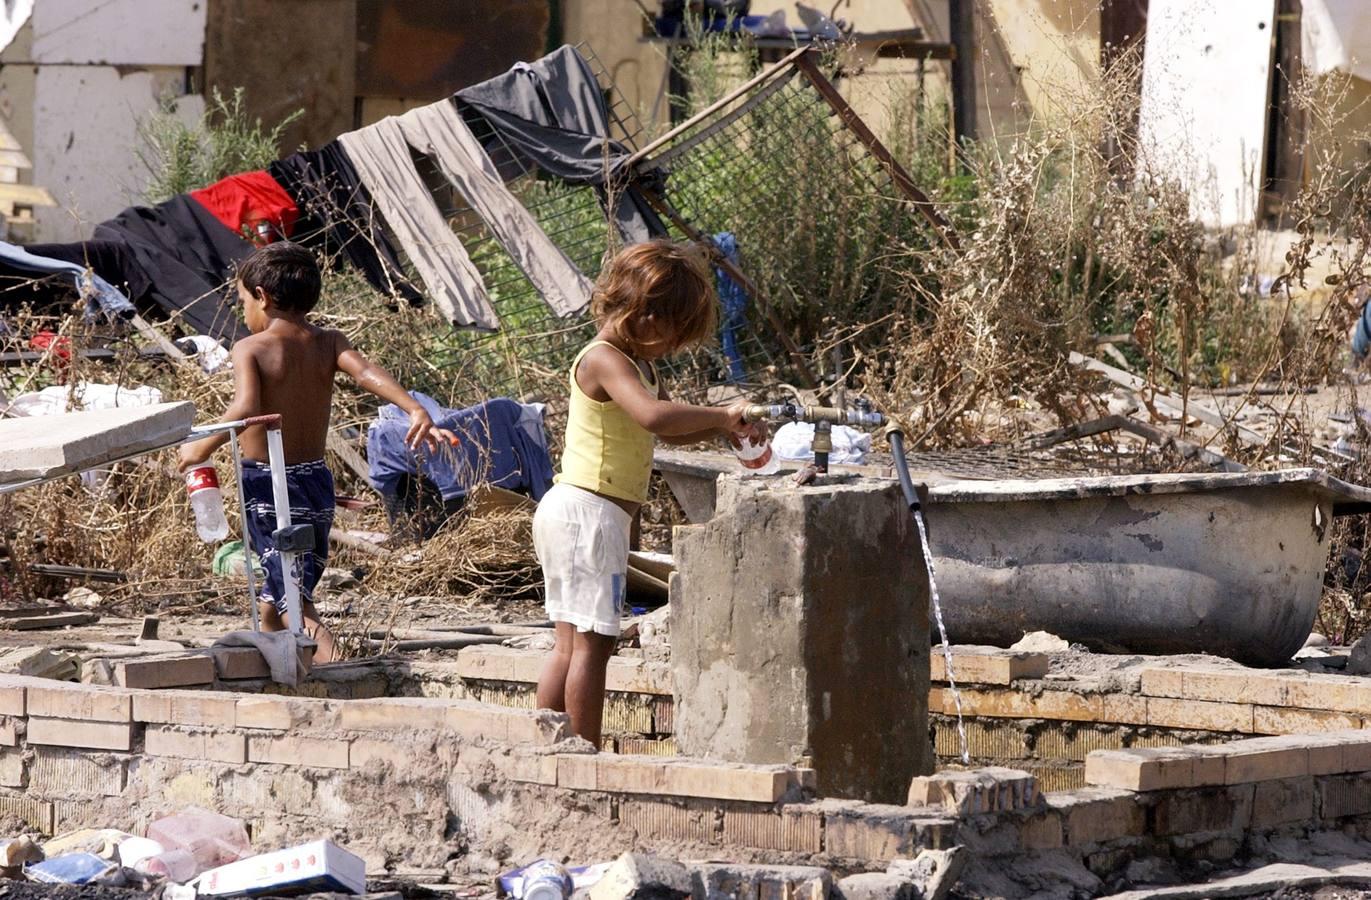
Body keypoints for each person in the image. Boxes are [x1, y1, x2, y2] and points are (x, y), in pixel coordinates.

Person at [178, 242, 453, 662]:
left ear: (262, 297)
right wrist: (414, 407)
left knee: (293, 601)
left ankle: (339, 670)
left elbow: (247, 408)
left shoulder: (251, 348)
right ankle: (285, 668)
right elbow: (365, 372)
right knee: (276, 599)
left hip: (271, 488)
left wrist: (200, 447)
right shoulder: (327, 342)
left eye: (242, 301)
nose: (243, 312)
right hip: (315, 481)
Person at [534, 239, 760, 747]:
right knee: (593, 647)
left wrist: (722, 430)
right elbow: (654, 416)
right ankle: (582, 753)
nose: (674, 346)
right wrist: (723, 414)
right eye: (674, 334)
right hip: (586, 515)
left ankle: (544, 747)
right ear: (647, 315)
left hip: (581, 516)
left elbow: (666, 429)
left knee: (570, 645)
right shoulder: (604, 358)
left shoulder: (635, 365)